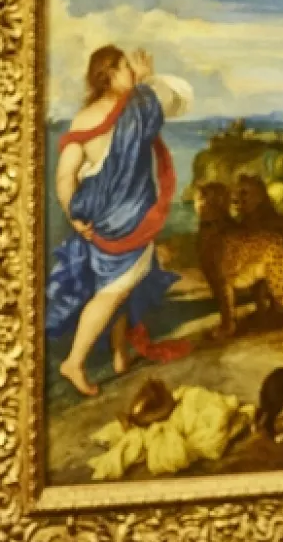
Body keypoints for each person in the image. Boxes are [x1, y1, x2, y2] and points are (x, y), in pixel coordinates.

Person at [46, 45, 193, 396]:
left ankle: (118, 354)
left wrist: (74, 216)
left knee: (119, 285)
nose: (132, 72)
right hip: (127, 220)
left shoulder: (84, 118)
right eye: (127, 67)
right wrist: (145, 83)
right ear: (110, 74)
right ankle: (74, 361)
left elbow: (65, 177)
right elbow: (156, 109)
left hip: (98, 221)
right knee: (113, 291)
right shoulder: (135, 107)